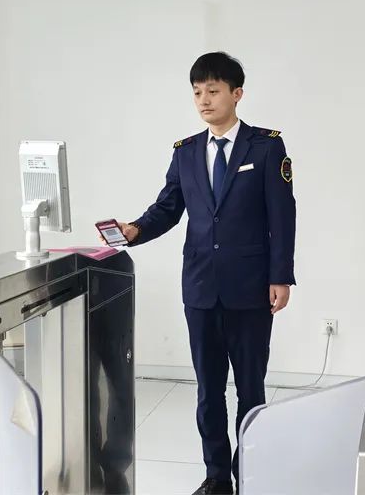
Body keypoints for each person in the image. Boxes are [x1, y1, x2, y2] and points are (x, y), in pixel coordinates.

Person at [115, 51, 296, 495]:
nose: (204, 100)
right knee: (208, 390)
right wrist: (135, 229)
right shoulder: (186, 152)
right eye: (197, 92)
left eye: (213, 91)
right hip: (199, 287)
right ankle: (217, 477)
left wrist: (281, 276)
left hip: (250, 288)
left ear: (237, 94)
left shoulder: (266, 147)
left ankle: (248, 472)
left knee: (250, 389)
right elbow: (168, 208)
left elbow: (282, 216)